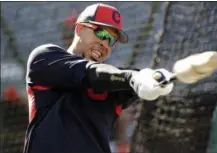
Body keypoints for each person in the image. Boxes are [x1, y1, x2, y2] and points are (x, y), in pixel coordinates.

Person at [23, 3, 174, 153]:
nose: (105, 44)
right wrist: (133, 77)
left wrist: (154, 78)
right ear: (80, 29)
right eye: (102, 34)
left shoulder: (112, 84)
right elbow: (91, 72)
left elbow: (124, 80)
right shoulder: (45, 58)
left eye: (111, 40)